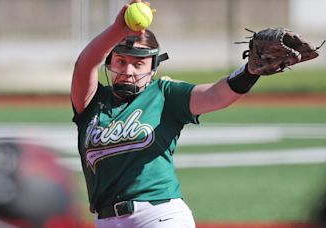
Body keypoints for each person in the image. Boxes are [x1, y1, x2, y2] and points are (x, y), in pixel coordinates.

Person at [71, 1, 319, 227]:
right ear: (109, 63)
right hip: (105, 221)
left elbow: (216, 94)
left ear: (153, 66)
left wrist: (250, 71)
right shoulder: (91, 102)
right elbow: (85, 63)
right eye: (121, 61)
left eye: (138, 63)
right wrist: (119, 30)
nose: (129, 70)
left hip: (158, 216)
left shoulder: (164, 95)